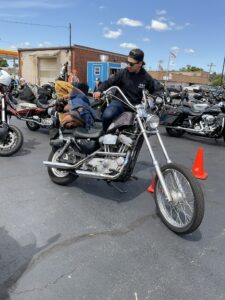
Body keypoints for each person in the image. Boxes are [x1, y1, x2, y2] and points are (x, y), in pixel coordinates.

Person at [93, 48, 156, 132]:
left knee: (140, 128)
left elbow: (155, 90)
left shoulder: (146, 77)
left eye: (131, 64)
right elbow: (108, 82)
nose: (128, 66)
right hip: (119, 104)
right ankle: (105, 135)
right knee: (108, 115)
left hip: (134, 107)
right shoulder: (123, 73)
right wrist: (99, 90)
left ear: (140, 64)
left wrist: (157, 98)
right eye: (127, 62)